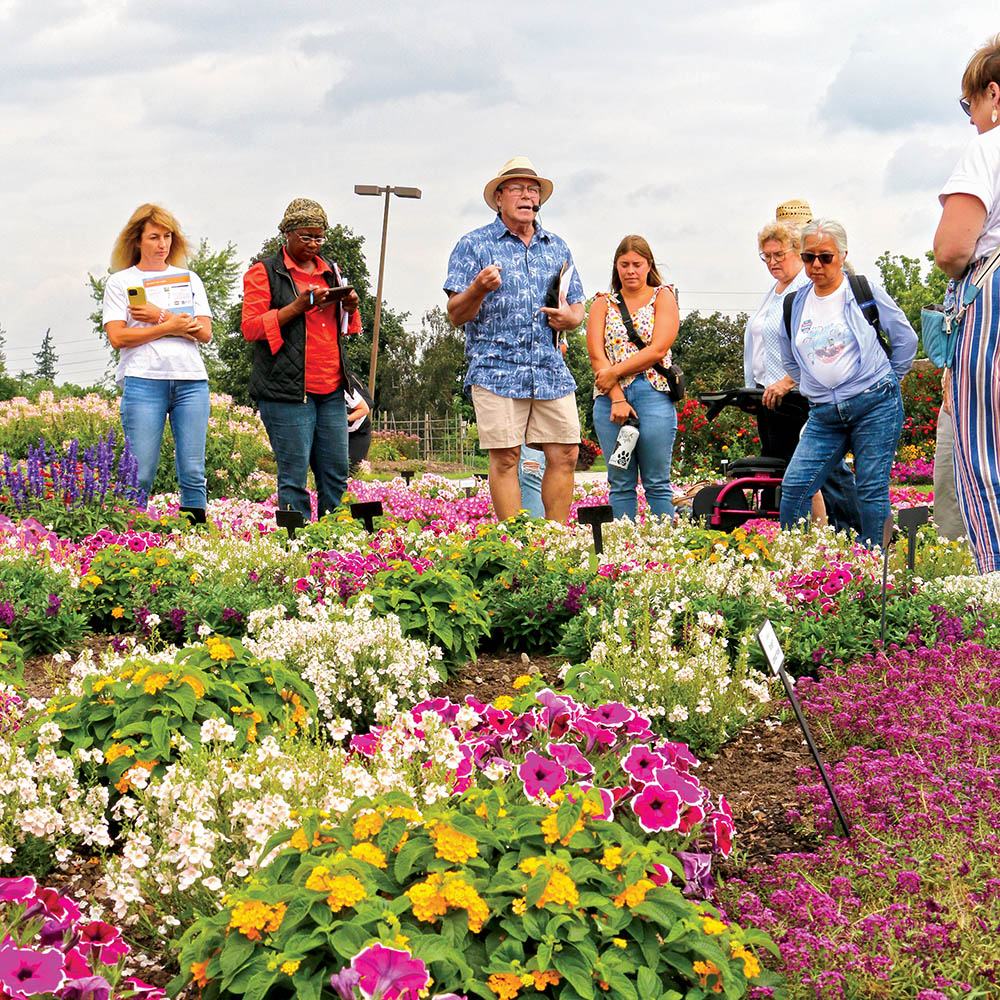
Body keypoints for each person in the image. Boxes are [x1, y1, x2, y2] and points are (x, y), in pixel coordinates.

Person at [445, 157, 584, 523]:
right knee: (506, 458)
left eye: (533, 190)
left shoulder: (557, 247)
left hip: (550, 368)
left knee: (566, 453)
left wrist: (570, 318)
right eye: (518, 189)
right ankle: (514, 542)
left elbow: (576, 307)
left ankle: (555, 539)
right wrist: (477, 288)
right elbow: (456, 313)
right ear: (499, 198)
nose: (527, 195)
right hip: (496, 369)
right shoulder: (473, 245)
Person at [778, 219, 917, 547]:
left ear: (842, 255)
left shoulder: (862, 291)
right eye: (808, 256)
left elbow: (906, 339)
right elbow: (790, 359)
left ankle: (875, 563)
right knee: (795, 486)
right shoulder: (794, 304)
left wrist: (887, 380)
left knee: (871, 489)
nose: (816, 264)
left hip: (875, 405)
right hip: (824, 414)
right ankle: (794, 561)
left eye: (825, 257)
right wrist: (818, 386)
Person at [743, 201, 861, 533]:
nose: (772, 262)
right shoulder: (776, 290)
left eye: (779, 254)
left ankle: (855, 532)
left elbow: (818, 345)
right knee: (787, 468)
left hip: (800, 395)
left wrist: (788, 380)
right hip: (771, 397)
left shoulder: (807, 288)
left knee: (824, 468)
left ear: (798, 249)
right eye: (766, 256)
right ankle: (799, 533)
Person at [242, 198, 362, 520]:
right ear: (288, 233)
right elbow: (251, 328)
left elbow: (347, 328)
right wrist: (298, 306)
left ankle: (335, 538)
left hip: (331, 388)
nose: (313, 244)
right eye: (306, 237)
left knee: (336, 474)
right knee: (294, 478)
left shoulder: (330, 271)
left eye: (319, 237)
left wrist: (350, 306)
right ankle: (295, 544)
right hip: (286, 390)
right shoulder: (264, 272)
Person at [933, 34, 1000, 571]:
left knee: (984, 453)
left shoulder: (988, 148)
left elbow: (952, 249)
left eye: (969, 104)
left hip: (992, 299)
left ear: (993, 95)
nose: (972, 118)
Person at [102, 204, 213, 518]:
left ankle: (196, 536)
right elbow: (117, 337)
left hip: (192, 382)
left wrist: (159, 316)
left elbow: (204, 332)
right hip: (143, 381)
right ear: (137, 240)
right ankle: (130, 535)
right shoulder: (121, 282)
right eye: (154, 237)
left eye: (167, 236)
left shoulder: (189, 279)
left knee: (193, 471)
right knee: (140, 472)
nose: (162, 244)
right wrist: (170, 326)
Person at [587, 235, 679, 519]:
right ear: (616, 266)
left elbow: (658, 349)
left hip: (653, 393)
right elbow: (597, 356)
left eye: (637, 264)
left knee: (657, 482)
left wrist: (615, 371)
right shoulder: (603, 303)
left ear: (648, 265)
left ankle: (664, 542)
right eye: (624, 264)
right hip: (610, 400)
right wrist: (617, 398)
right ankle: (623, 543)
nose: (630, 271)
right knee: (620, 483)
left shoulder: (663, 297)